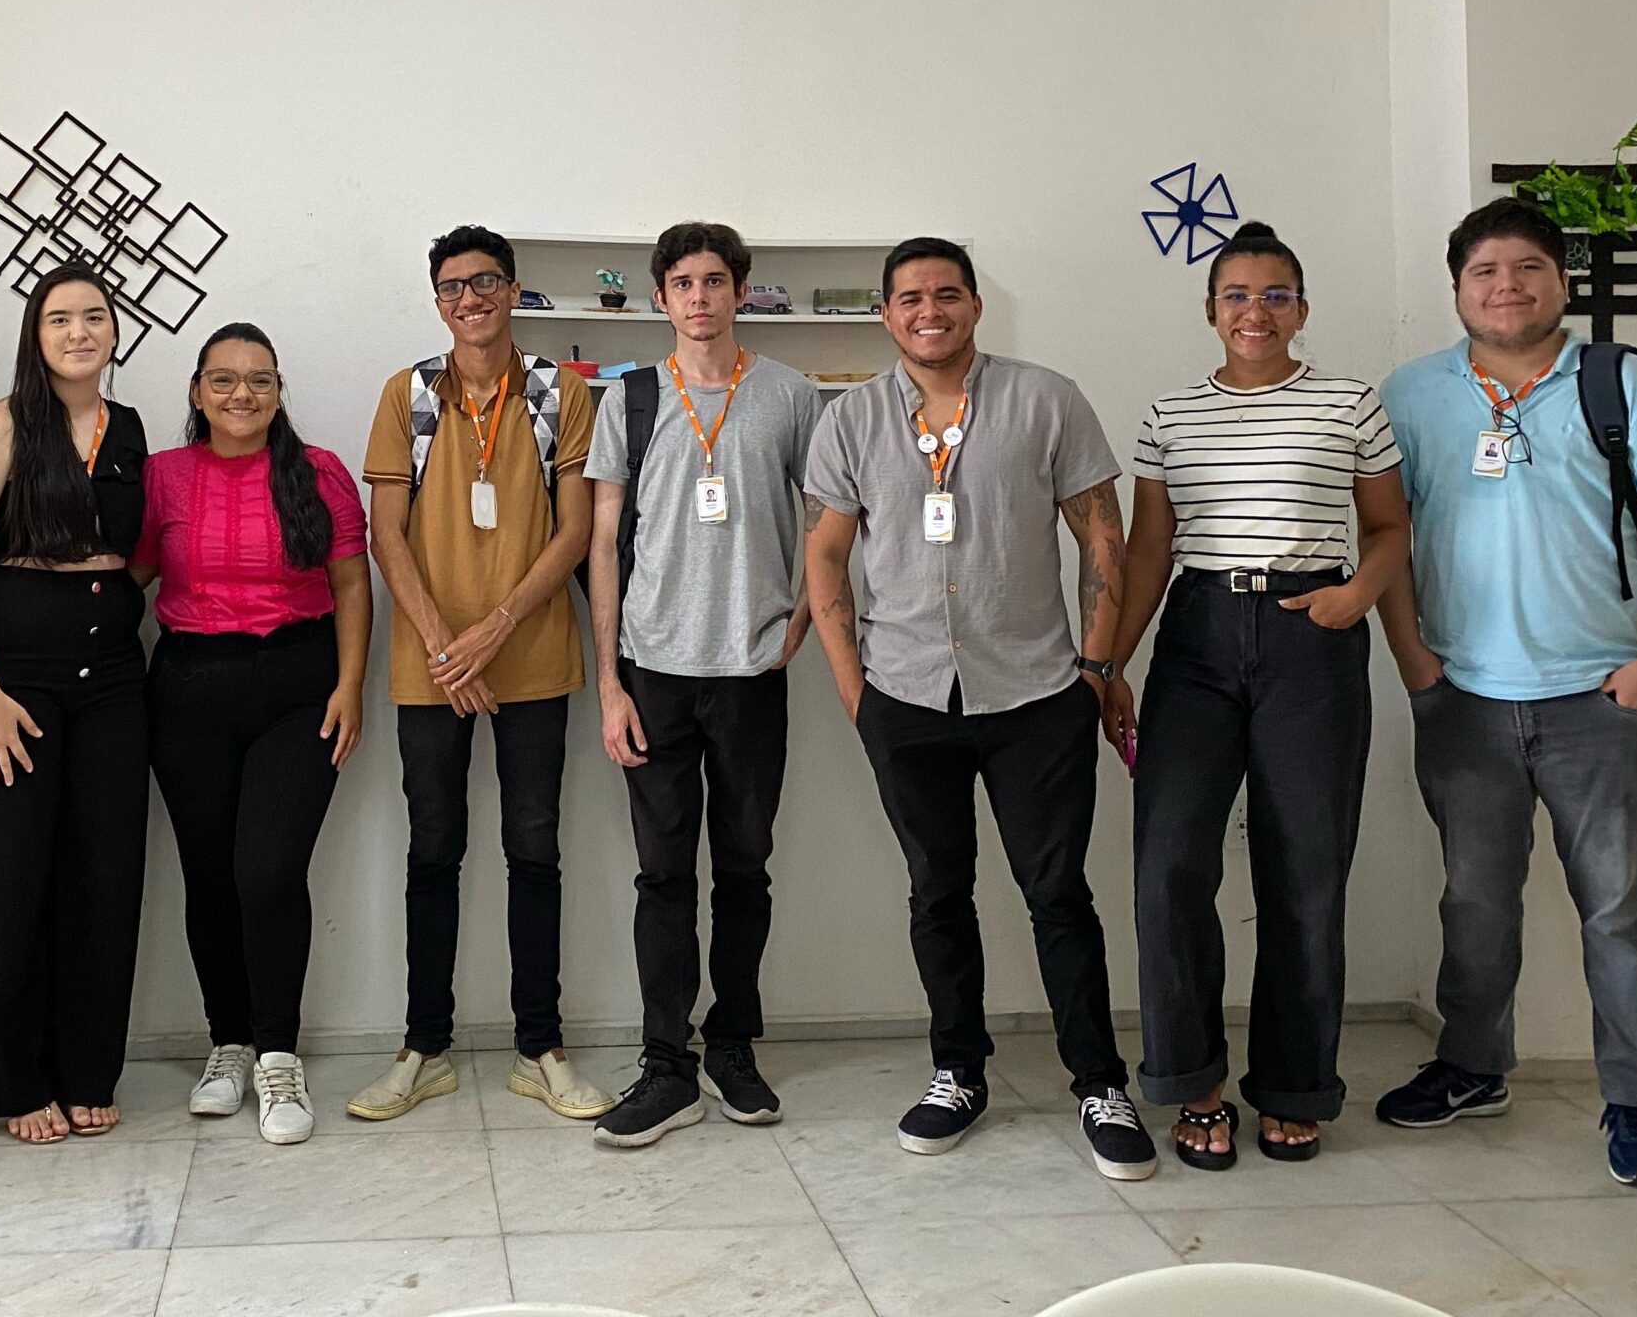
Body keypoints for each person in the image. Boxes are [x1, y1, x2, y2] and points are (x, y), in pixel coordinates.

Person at [1373, 197, 1637, 1191]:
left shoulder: (1621, 382)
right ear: (1457, 289)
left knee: (1619, 909)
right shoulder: (1411, 394)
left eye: (1527, 268)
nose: (1506, 287)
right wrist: (1413, 660)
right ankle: (1473, 1066)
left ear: (1559, 283)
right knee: (1474, 902)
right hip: (1464, 697)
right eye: (1484, 271)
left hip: (1599, 701)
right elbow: (1388, 532)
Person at [802, 235, 1157, 1181]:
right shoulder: (850, 421)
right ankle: (959, 1071)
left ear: (974, 305)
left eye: (948, 294)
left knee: (1059, 895)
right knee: (937, 892)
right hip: (906, 694)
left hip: (1036, 693)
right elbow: (826, 556)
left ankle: (1099, 1082)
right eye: (911, 298)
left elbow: (1103, 535)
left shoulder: (1047, 400)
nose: (931, 311)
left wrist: (1097, 668)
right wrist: (854, 690)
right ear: (886, 313)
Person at [1108, 220, 1409, 1169]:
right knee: (1169, 865)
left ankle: (1293, 1085)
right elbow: (1150, 549)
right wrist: (1110, 663)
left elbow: (1390, 527)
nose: (1256, 311)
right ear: (1211, 311)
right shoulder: (1170, 415)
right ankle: (1192, 1080)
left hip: (1308, 635)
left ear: (1301, 308)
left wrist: (1353, 598)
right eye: (1237, 295)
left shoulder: (1348, 403)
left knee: (1304, 869)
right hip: (1196, 637)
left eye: (1275, 295)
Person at [348, 225, 614, 1124]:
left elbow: (575, 532)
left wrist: (493, 630)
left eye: (487, 281)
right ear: (438, 301)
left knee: (534, 849)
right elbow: (385, 534)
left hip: (532, 657)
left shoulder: (557, 392)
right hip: (431, 665)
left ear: (512, 289)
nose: (471, 298)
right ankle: (424, 1047)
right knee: (433, 848)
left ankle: (540, 1048)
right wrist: (444, 645)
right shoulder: (408, 392)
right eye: (454, 286)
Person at [585, 222, 820, 1149]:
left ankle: (732, 1047)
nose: (699, 297)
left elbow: (827, 518)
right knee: (663, 874)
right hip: (655, 670)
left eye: (715, 280)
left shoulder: (790, 395)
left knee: (746, 867)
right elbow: (604, 544)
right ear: (660, 298)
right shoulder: (631, 398)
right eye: (682, 283)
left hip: (752, 669)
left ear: (740, 291)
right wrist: (608, 682)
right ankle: (665, 1064)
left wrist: (807, 615)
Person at [135, 324, 372, 1146]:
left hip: (298, 690)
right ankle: (229, 1043)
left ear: (278, 392)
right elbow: (129, 581)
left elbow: (351, 585)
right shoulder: (161, 476)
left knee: (267, 872)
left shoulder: (320, 472)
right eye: (225, 380)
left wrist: (349, 687)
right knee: (209, 876)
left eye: (260, 380)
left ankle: (277, 1054)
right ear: (197, 392)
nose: (243, 394)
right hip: (189, 689)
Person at [0, 263, 151, 1145]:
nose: (78, 333)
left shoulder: (129, 428)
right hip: (14, 676)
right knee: (12, 876)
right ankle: (18, 1083)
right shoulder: (1, 426)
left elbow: (136, 552)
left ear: (114, 331)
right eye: (59, 319)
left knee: (106, 876)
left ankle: (88, 1071)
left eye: (93, 317)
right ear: (36, 334)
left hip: (116, 678)